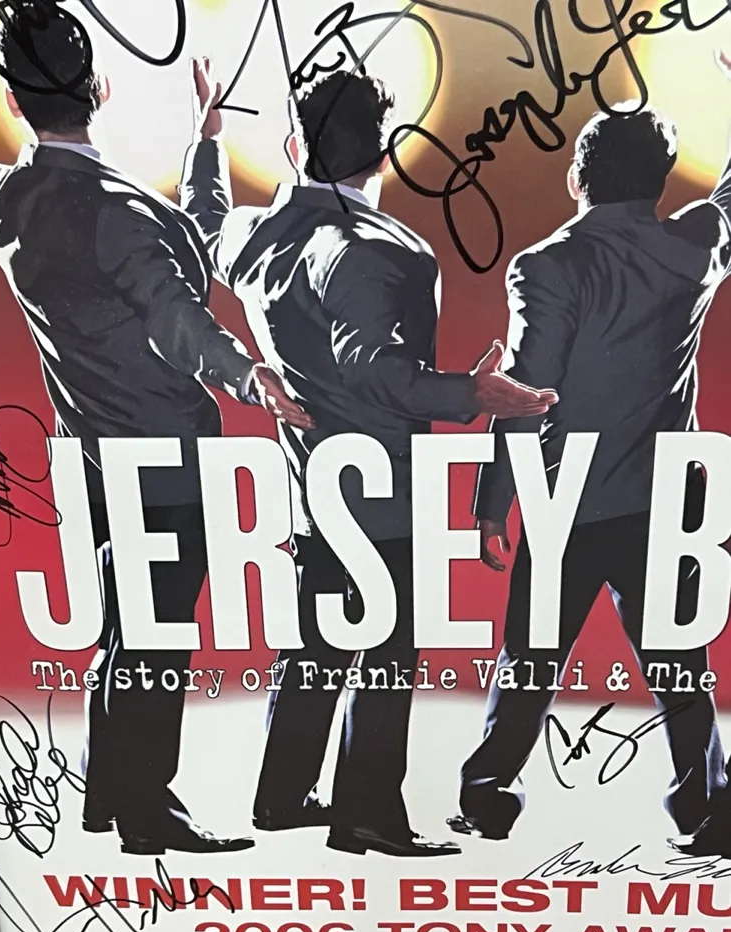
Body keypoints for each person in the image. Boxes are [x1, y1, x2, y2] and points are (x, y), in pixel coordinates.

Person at [0, 10, 310, 856]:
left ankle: (110, 797)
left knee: (130, 630)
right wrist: (251, 376)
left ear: (16, 105)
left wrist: (205, 142)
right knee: (155, 636)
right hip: (166, 464)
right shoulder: (125, 213)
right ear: (100, 89)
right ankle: (144, 811)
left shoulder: (2, 199)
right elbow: (180, 311)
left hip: (92, 458)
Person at [183, 63, 557, 857]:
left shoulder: (255, 235)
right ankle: (367, 816)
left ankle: (282, 796)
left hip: (311, 489)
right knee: (386, 656)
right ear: (386, 156)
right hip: (384, 497)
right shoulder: (385, 251)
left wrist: (208, 138)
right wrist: (474, 392)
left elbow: (203, 219)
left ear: (294, 148)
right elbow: (377, 374)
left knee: (315, 647)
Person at [450, 69, 731, 847]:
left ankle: (488, 794)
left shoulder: (546, 266)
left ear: (578, 175)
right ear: (661, 179)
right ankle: (707, 803)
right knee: (679, 661)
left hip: (564, 497)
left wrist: (493, 502)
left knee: (530, 658)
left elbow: (525, 392)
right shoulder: (694, 245)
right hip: (663, 498)